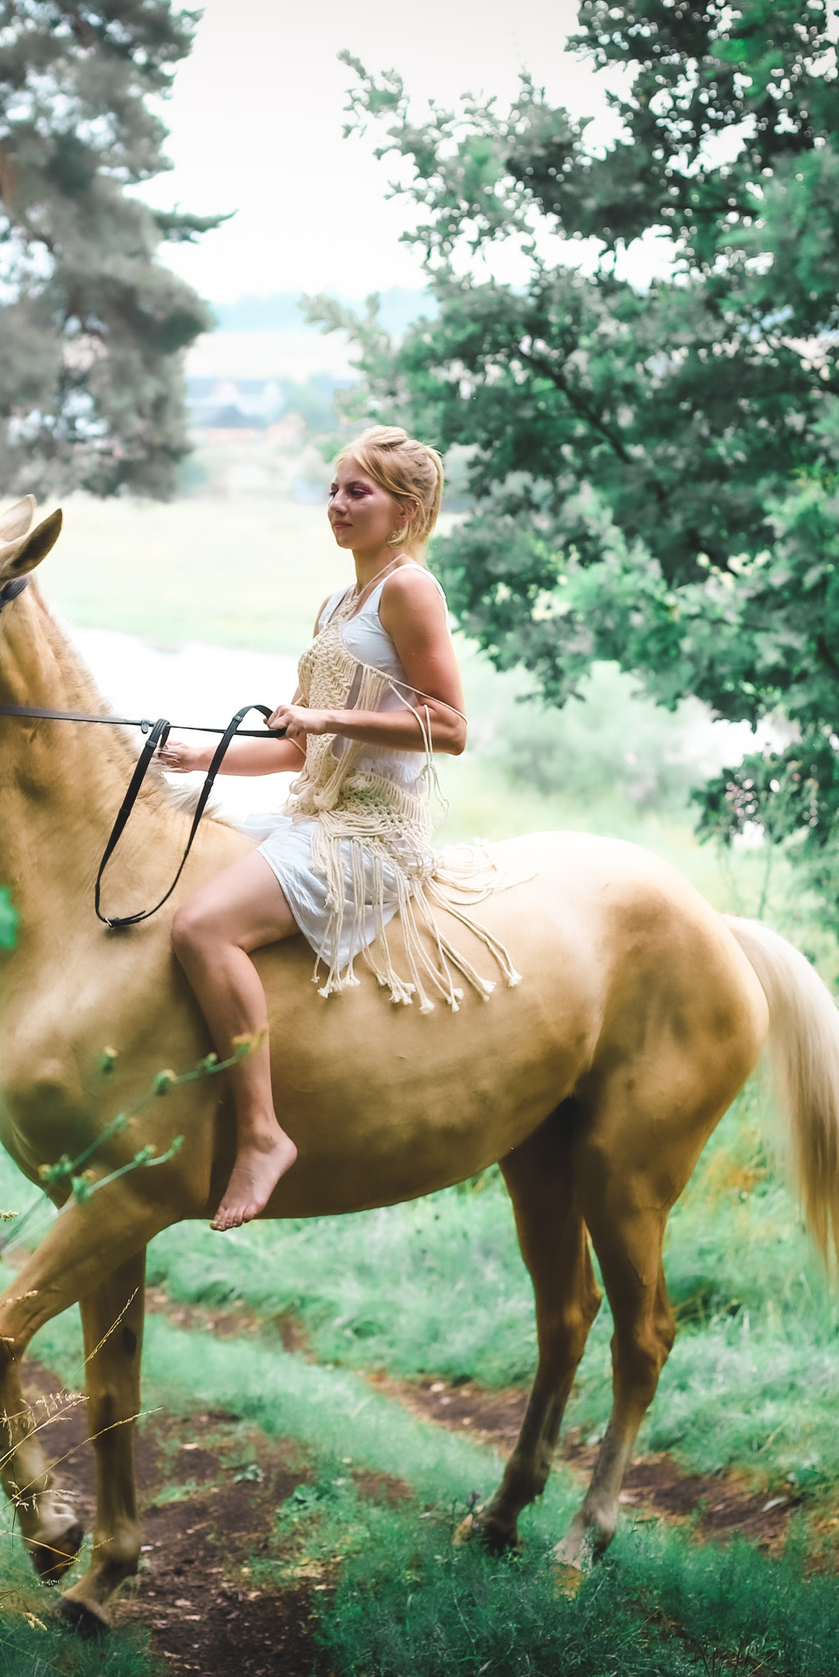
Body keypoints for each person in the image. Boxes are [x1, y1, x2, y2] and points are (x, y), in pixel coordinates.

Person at [159, 426, 518, 1231]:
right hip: (315, 807)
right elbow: (296, 748)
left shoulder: (409, 589)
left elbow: (452, 726)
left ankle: (262, 1133)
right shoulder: (336, 604)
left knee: (204, 928)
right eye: (333, 489)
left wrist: (323, 712)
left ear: (408, 509)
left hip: (371, 829)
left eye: (359, 491)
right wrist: (199, 755)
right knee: (181, 837)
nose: (337, 504)